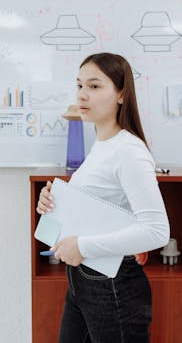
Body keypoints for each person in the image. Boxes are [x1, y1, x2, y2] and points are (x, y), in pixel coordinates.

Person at [36, 52, 170, 343]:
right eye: (80, 85)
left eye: (95, 86)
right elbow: (101, 207)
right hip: (83, 282)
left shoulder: (129, 151)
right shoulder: (102, 144)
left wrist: (82, 246)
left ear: (121, 94)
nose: (83, 94)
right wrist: (52, 201)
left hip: (112, 286)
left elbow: (157, 231)